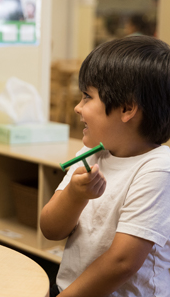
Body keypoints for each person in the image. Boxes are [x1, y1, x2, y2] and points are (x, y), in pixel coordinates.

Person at [41, 36, 170, 296]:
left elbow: (122, 262)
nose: (78, 107)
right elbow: (51, 229)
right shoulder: (92, 153)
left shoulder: (158, 169)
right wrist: (75, 196)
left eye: (88, 97)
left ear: (127, 108)